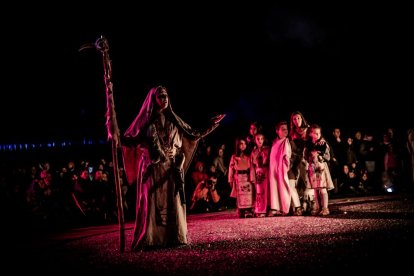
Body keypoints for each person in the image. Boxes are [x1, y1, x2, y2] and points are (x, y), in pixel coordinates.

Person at [122, 86, 225, 250]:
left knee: (173, 200)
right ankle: (150, 239)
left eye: (166, 96)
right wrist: (113, 133)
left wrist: (211, 124)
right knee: (152, 201)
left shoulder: (174, 120)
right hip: (153, 167)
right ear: (153, 99)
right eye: (160, 96)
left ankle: (174, 236)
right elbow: (129, 139)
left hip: (171, 167)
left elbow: (193, 133)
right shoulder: (146, 121)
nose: (164, 99)